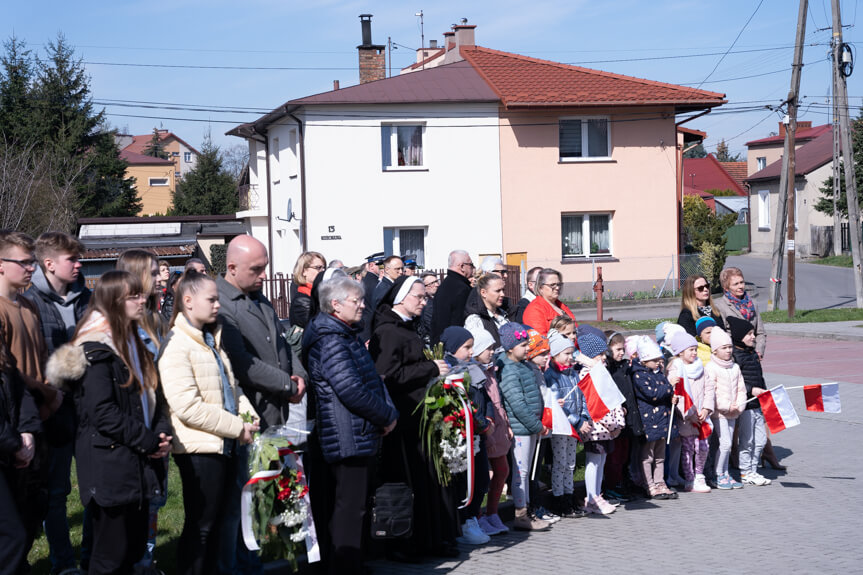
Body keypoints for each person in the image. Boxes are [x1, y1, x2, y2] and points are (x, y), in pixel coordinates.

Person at [46, 270, 172, 574]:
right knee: (109, 558)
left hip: (139, 463)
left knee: (132, 551)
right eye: (133, 296)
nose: (143, 300)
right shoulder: (95, 347)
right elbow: (101, 411)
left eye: (141, 294)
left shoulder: (133, 342)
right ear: (114, 301)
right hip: (112, 466)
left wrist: (162, 432)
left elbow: (156, 397)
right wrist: (149, 441)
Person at [159, 271, 259, 575]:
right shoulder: (177, 345)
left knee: (223, 524)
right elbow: (187, 406)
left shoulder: (210, 340)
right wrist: (236, 427)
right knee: (202, 527)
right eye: (211, 299)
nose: (218, 305)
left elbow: (231, 389)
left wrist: (248, 416)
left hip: (224, 444)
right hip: (200, 450)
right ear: (188, 302)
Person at [216, 235, 305, 573]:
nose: (264, 275)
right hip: (248, 414)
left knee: (264, 489)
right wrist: (286, 384)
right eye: (256, 269)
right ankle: (244, 562)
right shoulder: (223, 303)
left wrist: (299, 376)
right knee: (245, 494)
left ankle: (260, 552)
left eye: (265, 268)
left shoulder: (259, 298)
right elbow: (242, 362)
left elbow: (284, 343)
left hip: (275, 410)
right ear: (232, 267)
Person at [302, 276, 398, 575]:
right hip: (346, 434)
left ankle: (344, 563)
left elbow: (369, 378)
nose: (362, 306)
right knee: (348, 508)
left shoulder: (344, 333)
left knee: (344, 505)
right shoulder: (331, 339)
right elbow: (351, 390)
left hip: (353, 431)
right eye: (356, 301)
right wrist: (386, 416)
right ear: (335, 304)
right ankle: (344, 566)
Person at [369, 276, 458, 560]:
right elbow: (388, 377)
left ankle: (432, 539)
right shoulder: (389, 331)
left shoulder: (406, 327)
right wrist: (430, 368)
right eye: (418, 296)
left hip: (421, 417)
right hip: (403, 419)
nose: (424, 301)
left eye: (424, 296)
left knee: (428, 479)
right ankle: (408, 542)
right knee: (411, 481)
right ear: (401, 299)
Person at [21, 231, 90, 574]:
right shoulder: (29, 304)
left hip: (91, 408)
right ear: (48, 264)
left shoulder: (88, 300)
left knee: (96, 488)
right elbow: (30, 361)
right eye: (71, 260)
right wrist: (49, 397)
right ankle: (63, 562)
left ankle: (94, 556)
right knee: (57, 492)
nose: (79, 265)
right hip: (53, 411)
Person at [0, 231, 63, 565]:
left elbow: (40, 359)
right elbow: (9, 369)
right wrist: (47, 393)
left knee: (35, 506)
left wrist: (49, 391)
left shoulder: (29, 305)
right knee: (13, 520)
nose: (30, 269)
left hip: (38, 417)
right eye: (23, 262)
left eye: (32, 262)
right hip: (12, 422)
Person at [439, 326, 493, 546]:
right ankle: (462, 521)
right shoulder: (450, 372)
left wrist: (488, 418)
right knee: (463, 481)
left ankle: (472, 517)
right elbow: (461, 405)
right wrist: (479, 422)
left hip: (479, 433)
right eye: (466, 347)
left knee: (480, 479)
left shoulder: (475, 369)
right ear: (452, 348)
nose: (471, 352)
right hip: (461, 435)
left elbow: (484, 397)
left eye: (472, 347)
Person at [497, 322, 550, 531]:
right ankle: (521, 514)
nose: (528, 348)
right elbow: (517, 404)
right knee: (521, 473)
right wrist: (536, 425)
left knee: (526, 472)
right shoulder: (509, 371)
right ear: (510, 348)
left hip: (529, 427)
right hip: (522, 429)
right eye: (524, 345)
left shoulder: (524, 365)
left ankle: (527, 511)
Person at [0, 331, 40, 575]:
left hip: (10, 456)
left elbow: (22, 395)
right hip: (7, 449)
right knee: (11, 535)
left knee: (23, 525)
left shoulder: (4, 358)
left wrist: (28, 433)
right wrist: (15, 444)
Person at [467, 328, 511, 536]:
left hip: (498, 426)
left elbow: (498, 399)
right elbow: (483, 404)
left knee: (502, 470)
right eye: (488, 348)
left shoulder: (491, 371)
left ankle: (493, 512)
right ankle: (479, 515)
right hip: (486, 429)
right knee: (483, 477)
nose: (492, 352)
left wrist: (506, 423)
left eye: (493, 348)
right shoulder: (475, 372)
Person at [576, 331, 625, 515]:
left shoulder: (601, 372)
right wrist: (611, 424)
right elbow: (595, 403)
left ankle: (596, 494)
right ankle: (591, 496)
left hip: (606, 428)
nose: (604, 358)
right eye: (600, 355)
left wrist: (616, 424)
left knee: (601, 460)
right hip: (596, 427)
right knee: (594, 461)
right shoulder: (588, 375)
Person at [544, 329, 590, 518]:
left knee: (570, 464)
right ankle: (559, 499)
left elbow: (582, 396)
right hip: (562, 427)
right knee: (560, 463)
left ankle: (569, 496)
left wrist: (585, 417)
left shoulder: (572, 374)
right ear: (555, 354)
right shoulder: (551, 376)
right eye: (566, 354)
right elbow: (557, 403)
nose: (571, 358)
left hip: (575, 427)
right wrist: (576, 421)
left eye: (572, 353)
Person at [630, 337, 678, 500]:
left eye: (659, 359)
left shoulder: (657, 374)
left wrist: (671, 396)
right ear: (644, 360)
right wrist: (668, 386)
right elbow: (652, 394)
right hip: (649, 422)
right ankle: (648, 483)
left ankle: (660, 482)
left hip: (662, 420)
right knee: (647, 455)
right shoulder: (639, 375)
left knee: (660, 455)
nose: (658, 363)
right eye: (654, 360)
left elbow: (664, 393)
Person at [666, 331, 714, 494]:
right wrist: (689, 413)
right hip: (686, 418)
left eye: (695, 349)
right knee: (687, 449)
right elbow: (677, 394)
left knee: (703, 446)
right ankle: (689, 478)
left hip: (701, 417)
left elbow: (709, 389)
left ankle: (699, 474)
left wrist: (706, 408)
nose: (694, 353)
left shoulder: (701, 368)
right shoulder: (676, 369)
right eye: (690, 350)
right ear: (680, 352)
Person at [727, 317, 772, 487]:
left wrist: (765, 393)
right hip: (746, 404)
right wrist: (750, 390)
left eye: (753, 333)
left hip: (758, 404)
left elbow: (759, 378)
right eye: (749, 334)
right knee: (747, 440)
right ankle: (746, 471)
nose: (753, 337)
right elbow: (734, 380)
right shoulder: (735, 356)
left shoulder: (752, 354)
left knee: (760, 440)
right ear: (739, 336)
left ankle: (753, 469)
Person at [704, 328, 746, 490]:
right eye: (724, 348)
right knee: (725, 443)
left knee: (728, 444)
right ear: (715, 350)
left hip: (733, 412)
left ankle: (725, 472)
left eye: (730, 347)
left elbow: (741, 389)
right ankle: (718, 474)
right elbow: (711, 392)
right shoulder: (711, 368)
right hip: (719, 413)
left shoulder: (734, 367)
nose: (728, 350)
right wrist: (727, 406)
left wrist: (739, 405)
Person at [603, 331, 641, 501]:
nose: (621, 353)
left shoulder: (625, 366)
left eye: (622, 349)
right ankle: (612, 485)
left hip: (628, 417)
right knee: (615, 455)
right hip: (615, 419)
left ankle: (624, 481)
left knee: (625, 453)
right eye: (617, 349)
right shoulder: (607, 370)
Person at [714, 267, 766, 359]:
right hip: (733, 357)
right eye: (735, 284)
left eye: (742, 282)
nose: (740, 286)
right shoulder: (720, 306)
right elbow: (723, 334)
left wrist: (759, 352)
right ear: (726, 288)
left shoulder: (752, 303)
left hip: (752, 355)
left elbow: (760, 332)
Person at [430, 250, 474, 344]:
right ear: (462, 266)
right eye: (471, 264)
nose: (473, 268)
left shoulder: (445, 284)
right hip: (456, 343)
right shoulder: (461, 289)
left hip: (440, 341)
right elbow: (462, 320)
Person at [522, 268, 576, 336]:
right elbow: (540, 340)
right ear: (540, 288)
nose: (557, 288)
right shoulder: (533, 310)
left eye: (558, 284)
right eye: (552, 285)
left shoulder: (562, 306)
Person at [464, 273, 509, 348]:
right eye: (498, 291)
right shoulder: (475, 320)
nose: (502, 294)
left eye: (503, 290)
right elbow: (477, 350)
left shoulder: (506, 312)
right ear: (483, 293)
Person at [289, 251, 327, 330]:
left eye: (324, 268)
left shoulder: (320, 293)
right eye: (318, 268)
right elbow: (318, 327)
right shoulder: (302, 300)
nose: (322, 271)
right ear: (304, 271)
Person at [358, 252, 384, 344]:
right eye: (380, 265)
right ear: (371, 266)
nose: (383, 267)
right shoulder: (374, 283)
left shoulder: (367, 281)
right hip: (370, 329)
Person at [417, 272, 439, 344]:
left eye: (436, 281)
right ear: (424, 288)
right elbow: (432, 326)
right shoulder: (427, 305)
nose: (437, 285)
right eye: (432, 283)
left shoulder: (436, 300)